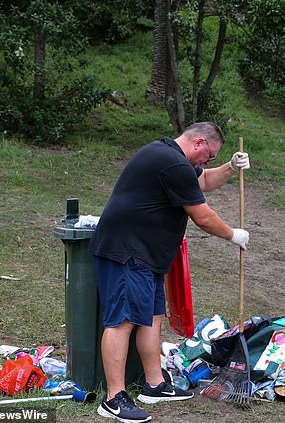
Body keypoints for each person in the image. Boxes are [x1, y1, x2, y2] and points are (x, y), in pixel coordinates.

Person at [89, 122, 251, 423]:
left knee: (152, 317)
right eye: (211, 155)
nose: (208, 161)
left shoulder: (173, 158)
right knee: (122, 322)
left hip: (148, 255)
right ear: (199, 142)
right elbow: (202, 216)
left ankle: (154, 384)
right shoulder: (171, 162)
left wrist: (230, 167)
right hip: (127, 251)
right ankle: (113, 399)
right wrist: (233, 235)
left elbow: (203, 182)